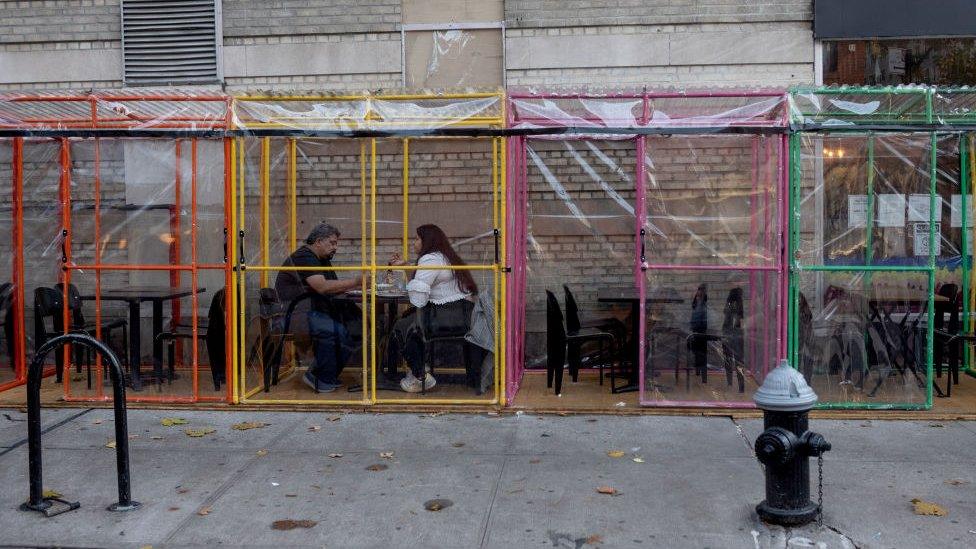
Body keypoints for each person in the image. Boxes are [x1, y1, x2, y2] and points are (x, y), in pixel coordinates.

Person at [275, 223, 368, 393]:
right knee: (336, 331)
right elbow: (323, 287)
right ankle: (317, 376)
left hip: (311, 310)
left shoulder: (321, 259)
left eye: (336, 243)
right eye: (332, 243)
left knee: (356, 324)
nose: (335, 247)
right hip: (294, 314)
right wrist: (356, 282)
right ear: (318, 241)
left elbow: (333, 287)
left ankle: (327, 375)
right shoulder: (305, 256)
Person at [384, 224, 477, 392]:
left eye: (417, 238)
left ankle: (420, 376)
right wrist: (407, 266)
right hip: (462, 312)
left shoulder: (430, 258)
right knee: (409, 319)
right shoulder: (442, 256)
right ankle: (418, 370)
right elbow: (426, 279)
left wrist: (408, 279)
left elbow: (419, 297)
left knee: (403, 326)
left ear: (427, 241)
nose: (414, 242)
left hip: (450, 315)